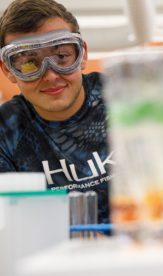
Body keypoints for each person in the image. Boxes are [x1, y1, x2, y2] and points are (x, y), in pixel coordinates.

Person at [0, 0, 113, 226]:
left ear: (82, 55)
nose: (50, 75)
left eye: (61, 56)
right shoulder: (5, 131)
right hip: (52, 255)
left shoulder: (124, 98)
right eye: (29, 63)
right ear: (8, 70)